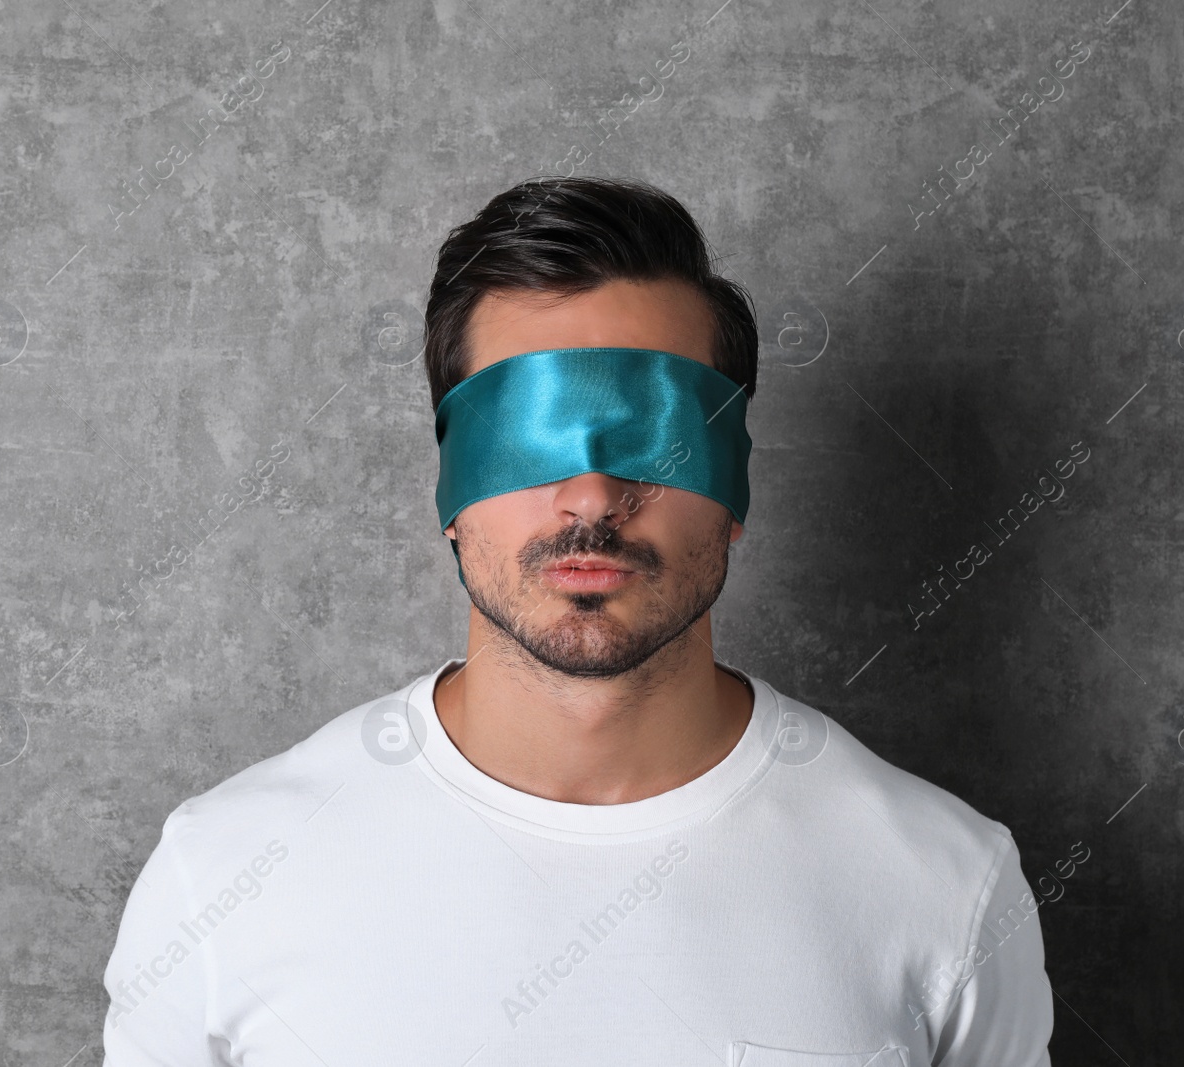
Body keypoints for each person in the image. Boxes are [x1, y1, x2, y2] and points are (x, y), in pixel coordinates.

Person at [100, 176, 1054, 1066]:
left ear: (736, 484)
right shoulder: (223, 882)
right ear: (450, 483)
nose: (591, 495)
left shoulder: (942, 885)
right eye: (525, 432)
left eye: (658, 431)